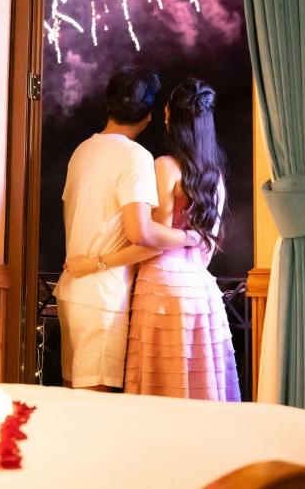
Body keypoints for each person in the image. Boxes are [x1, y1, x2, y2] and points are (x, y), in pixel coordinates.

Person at [66, 79, 240, 401]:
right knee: (200, 389)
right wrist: (191, 238)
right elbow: (206, 248)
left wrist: (93, 263)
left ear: (167, 114)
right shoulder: (214, 177)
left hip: (162, 287)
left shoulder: (165, 166)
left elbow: (149, 239)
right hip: (202, 292)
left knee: (162, 390)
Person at [55, 67, 202, 391]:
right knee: (95, 405)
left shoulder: (83, 150)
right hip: (103, 295)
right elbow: (143, 234)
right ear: (149, 114)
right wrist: (190, 237)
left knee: (71, 399)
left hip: (72, 289)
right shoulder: (135, 157)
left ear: (108, 104)